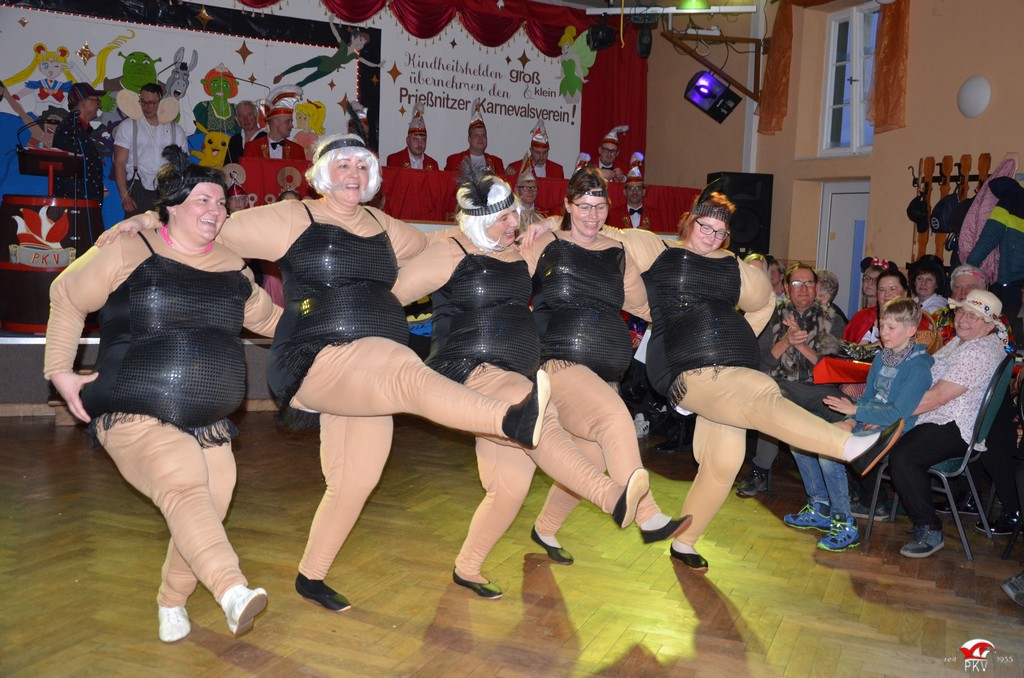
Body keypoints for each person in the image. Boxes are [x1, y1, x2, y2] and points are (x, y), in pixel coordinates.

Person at [106, 134, 552, 612]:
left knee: (355, 479)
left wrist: (530, 229)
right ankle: (509, 419)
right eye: (342, 166)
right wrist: (152, 218)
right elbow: (210, 226)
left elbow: (441, 243)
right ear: (322, 174)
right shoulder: (294, 217)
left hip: (364, 375)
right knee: (403, 370)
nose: (353, 175)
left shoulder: (382, 225)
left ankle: (311, 576)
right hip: (315, 356)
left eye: (361, 167)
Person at [392, 175, 684, 597]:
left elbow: (591, 256)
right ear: (480, 220)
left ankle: (467, 567)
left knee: (509, 489)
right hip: (471, 368)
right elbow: (391, 296)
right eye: (505, 217)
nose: (515, 222)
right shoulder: (449, 250)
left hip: (515, 371)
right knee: (537, 415)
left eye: (515, 214)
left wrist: (548, 224)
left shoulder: (517, 253)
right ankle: (619, 501)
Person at [45, 146, 280, 642]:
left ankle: (171, 601)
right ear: (171, 206)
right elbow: (66, 294)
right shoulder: (130, 248)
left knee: (207, 507)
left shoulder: (234, 267)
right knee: (183, 483)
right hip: (133, 407)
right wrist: (59, 371)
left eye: (220, 202)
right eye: (202, 200)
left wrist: (326, 329)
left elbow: (270, 321)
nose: (215, 210)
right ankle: (232, 589)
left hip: (209, 419)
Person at [641, 192, 903, 572]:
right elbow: (610, 248)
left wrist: (738, 337)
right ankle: (848, 447)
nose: (712, 237)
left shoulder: (729, 266)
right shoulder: (659, 250)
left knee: (724, 463)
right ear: (689, 221)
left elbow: (763, 300)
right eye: (705, 227)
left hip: (726, 371)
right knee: (762, 389)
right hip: (695, 374)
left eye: (721, 232)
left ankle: (684, 542)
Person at [518, 167, 686, 562]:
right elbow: (509, 285)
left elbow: (642, 305)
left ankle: (545, 529)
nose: (592, 216)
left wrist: (686, 323)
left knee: (590, 459)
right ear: (567, 205)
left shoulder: (616, 251)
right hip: (558, 362)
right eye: (583, 206)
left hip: (605, 374)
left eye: (599, 207)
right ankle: (647, 515)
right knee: (616, 420)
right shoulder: (545, 244)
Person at [783, 298, 933, 552]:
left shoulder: (918, 367)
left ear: (910, 330)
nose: (884, 333)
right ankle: (820, 506)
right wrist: (852, 419)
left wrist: (856, 412)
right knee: (800, 439)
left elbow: (898, 413)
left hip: (893, 431)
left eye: (891, 328)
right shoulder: (882, 358)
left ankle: (845, 524)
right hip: (868, 420)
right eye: (882, 326)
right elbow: (867, 398)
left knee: (829, 454)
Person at [888, 289, 1008, 558]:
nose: (963, 319)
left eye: (973, 316)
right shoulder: (963, 342)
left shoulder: (978, 352)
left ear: (990, 325)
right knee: (881, 437)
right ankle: (875, 502)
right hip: (939, 417)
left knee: (904, 457)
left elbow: (937, 397)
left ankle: (930, 528)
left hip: (953, 424)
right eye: (962, 311)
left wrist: (890, 412)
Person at [735, 264, 847, 499]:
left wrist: (801, 346)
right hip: (781, 383)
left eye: (809, 283)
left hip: (820, 387)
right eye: (797, 283)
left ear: (816, 287)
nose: (803, 288)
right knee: (771, 402)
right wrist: (785, 341)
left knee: (846, 413)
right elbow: (760, 363)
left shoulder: (833, 319)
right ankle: (760, 471)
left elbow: (831, 369)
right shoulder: (770, 316)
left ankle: (850, 484)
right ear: (786, 287)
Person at [114, 83, 189, 217]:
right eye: (143, 102)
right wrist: (124, 195)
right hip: (137, 189)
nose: (146, 107)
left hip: (168, 189)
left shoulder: (176, 130)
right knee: (136, 230)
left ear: (161, 102)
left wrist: (180, 196)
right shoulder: (127, 126)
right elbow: (119, 162)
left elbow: (183, 166)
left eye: (152, 103)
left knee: (166, 229)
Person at [52, 82, 106, 204]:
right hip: (76, 204)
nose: (99, 105)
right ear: (83, 103)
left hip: (82, 203)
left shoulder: (77, 127)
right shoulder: (71, 128)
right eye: (96, 101)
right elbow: (71, 170)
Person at [444, 99, 504, 176]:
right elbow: (446, 182)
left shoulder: (496, 162)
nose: (481, 138)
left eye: (483, 135)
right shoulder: (454, 160)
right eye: (476, 135)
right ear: (469, 139)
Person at [243, 85, 305, 160]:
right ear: (275, 121)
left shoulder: (297, 150)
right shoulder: (252, 148)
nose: (292, 125)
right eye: (288, 121)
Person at [607, 153, 662, 231]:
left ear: (644, 191)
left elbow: (658, 237)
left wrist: (648, 234)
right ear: (625, 192)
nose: (634, 192)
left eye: (638, 188)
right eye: (631, 188)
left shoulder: (655, 215)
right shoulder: (613, 214)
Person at [385, 101, 437, 170]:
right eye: (416, 139)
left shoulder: (433, 164)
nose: (420, 144)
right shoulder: (394, 160)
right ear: (407, 140)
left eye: (423, 140)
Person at [225, 100, 266, 165]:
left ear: (257, 116)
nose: (245, 119)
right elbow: (228, 166)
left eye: (249, 115)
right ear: (237, 120)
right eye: (241, 116)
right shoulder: (234, 140)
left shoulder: (266, 138)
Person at [514, 163, 546, 231]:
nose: (530, 191)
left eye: (534, 188)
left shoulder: (545, 214)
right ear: (516, 190)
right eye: (526, 188)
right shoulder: (510, 214)